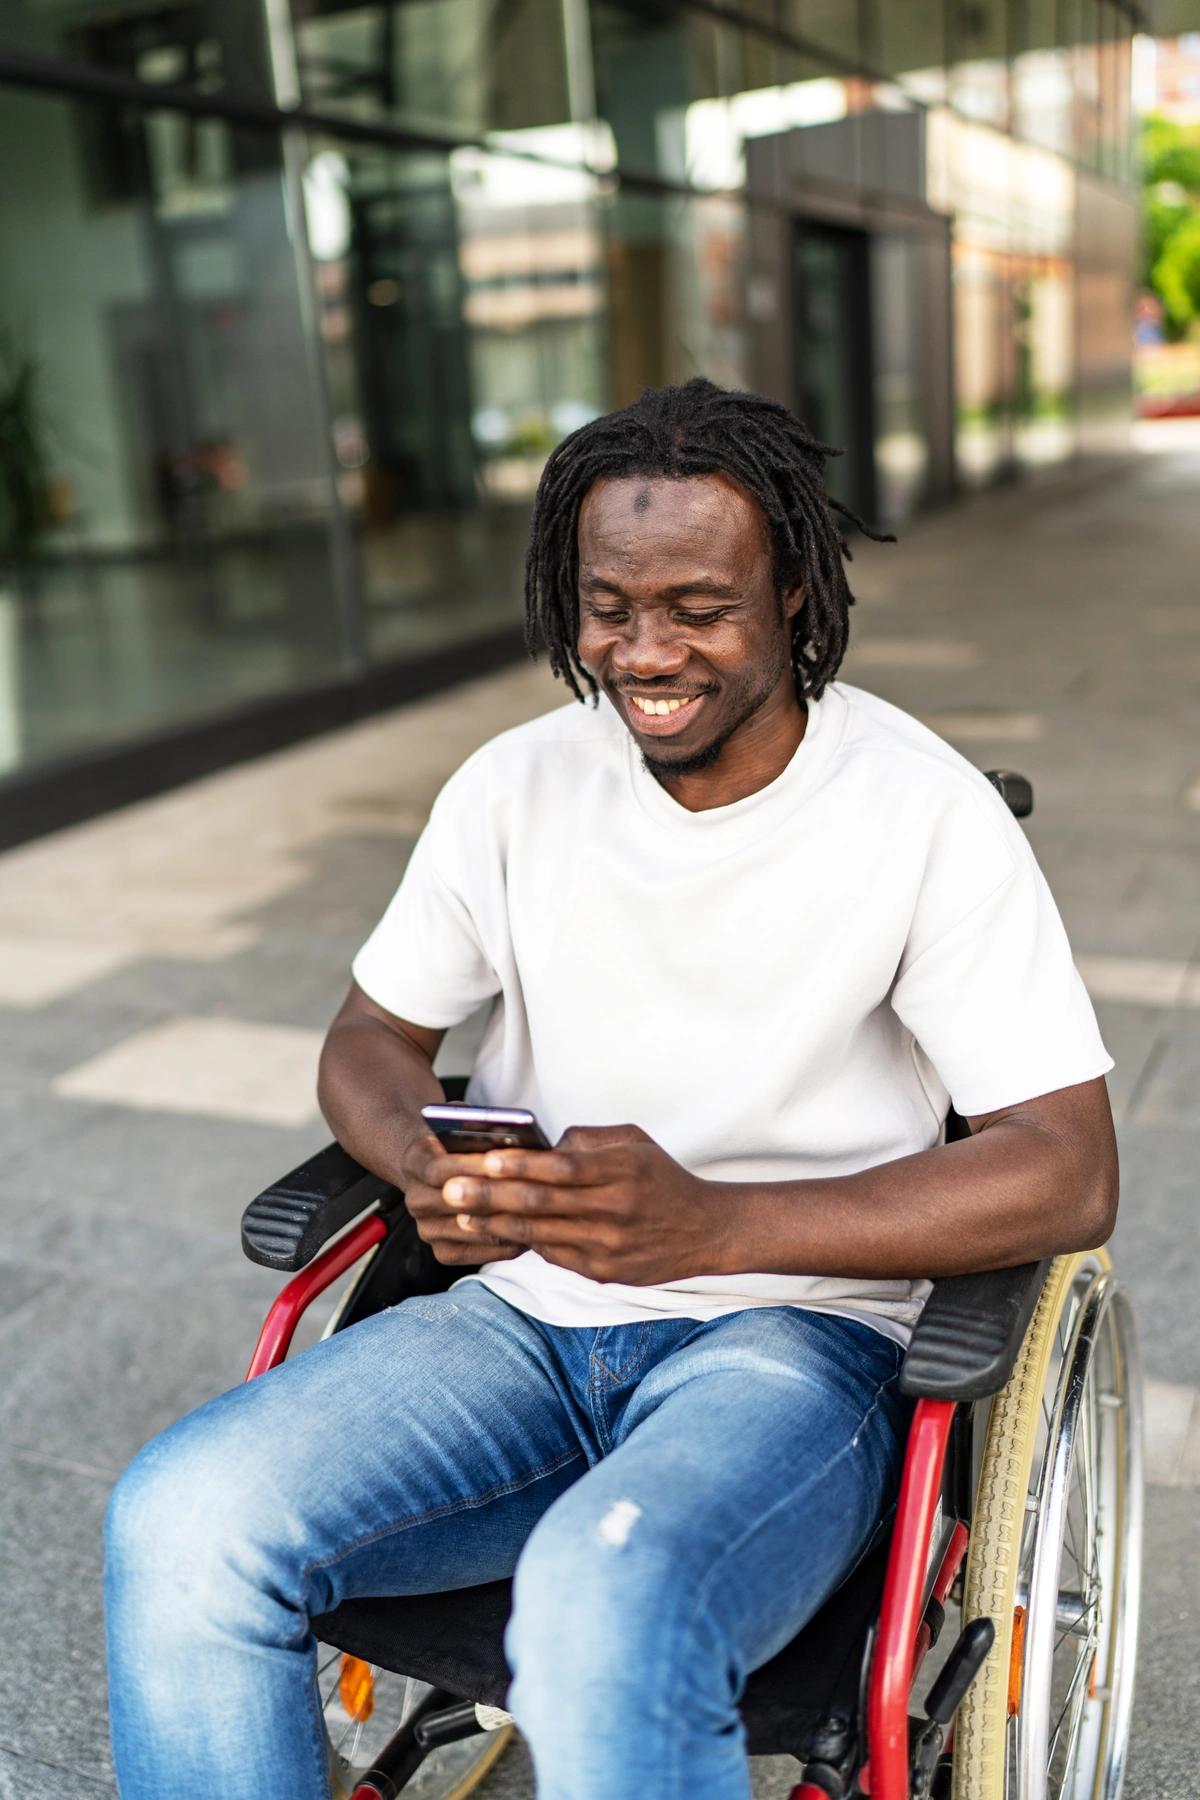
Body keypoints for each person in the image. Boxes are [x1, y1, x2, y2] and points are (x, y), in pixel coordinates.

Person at [104, 379, 1117, 1800]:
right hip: (520, 1327)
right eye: (607, 604)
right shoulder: (516, 789)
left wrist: (712, 1230)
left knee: (603, 1602)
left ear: (797, 603)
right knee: (180, 1519)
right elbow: (370, 1037)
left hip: (788, 1353)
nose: (643, 650)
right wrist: (423, 1163)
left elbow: (1066, 1168)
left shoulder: (919, 814)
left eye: (699, 606)